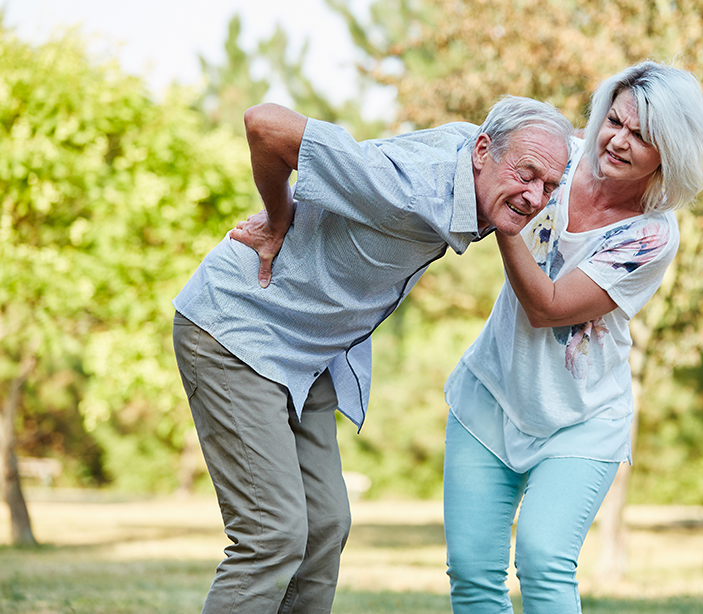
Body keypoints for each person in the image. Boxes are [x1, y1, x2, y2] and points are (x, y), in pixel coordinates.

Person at [171, 96, 573, 614]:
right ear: (481, 151)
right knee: (272, 535)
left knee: (325, 527)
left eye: (549, 185)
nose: (535, 196)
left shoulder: (495, 158)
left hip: (306, 355)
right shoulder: (403, 184)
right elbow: (265, 124)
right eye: (527, 175)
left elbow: (570, 152)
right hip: (238, 330)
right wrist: (278, 218)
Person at [442, 60, 703, 614]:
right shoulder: (557, 159)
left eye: (642, 135)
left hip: (581, 419)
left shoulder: (651, 234)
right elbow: (465, 151)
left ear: (671, 151)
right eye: (615, 120)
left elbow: (549, 308)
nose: (617, 140)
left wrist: (507, 220)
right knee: (472, 574)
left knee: (543, 561)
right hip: (488, 396)